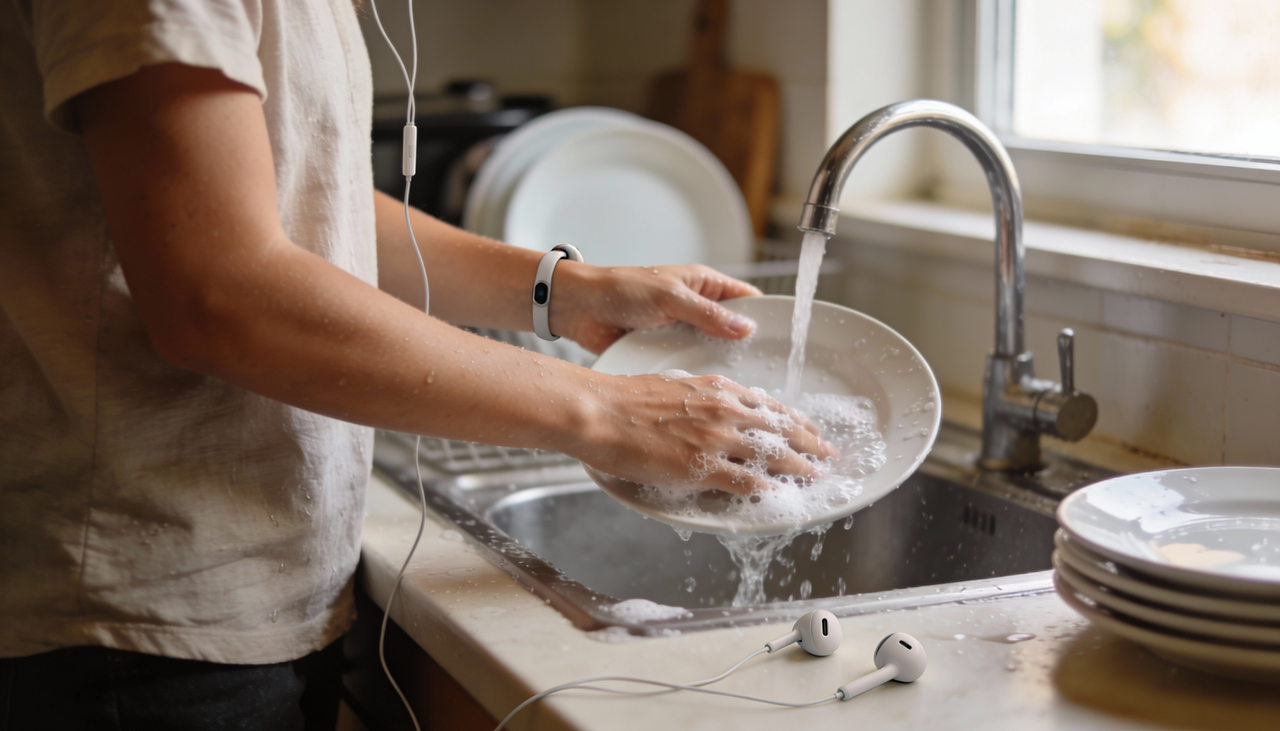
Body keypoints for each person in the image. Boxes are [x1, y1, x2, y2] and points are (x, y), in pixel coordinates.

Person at [0, 1, 833, 728]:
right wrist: (605, 410)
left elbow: (298, 203)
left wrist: (562, 291)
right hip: (135, 615)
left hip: (241, 587)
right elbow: (216, 291)